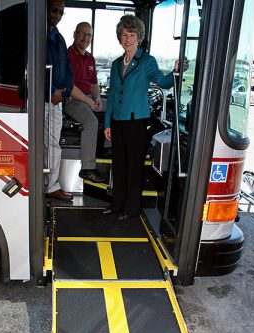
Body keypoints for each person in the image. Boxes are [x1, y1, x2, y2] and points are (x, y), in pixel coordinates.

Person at [104, 15, 183, 219]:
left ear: (139, 37)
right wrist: (107, 123)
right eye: (124, 35)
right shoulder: (115, 64)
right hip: (118, 120)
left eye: (132, 35)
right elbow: (112, 94)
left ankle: (131, 209)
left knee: (134, 167)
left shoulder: (147, 61)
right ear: (119, 38)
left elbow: (163, 82)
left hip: (137, 121)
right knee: (119, 165)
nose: (127, 39)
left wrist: (175, 72)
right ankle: (117, 205)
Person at [64, 22, 106, 183]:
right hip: (71, 99)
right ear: (75, 34)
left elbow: (94, 84)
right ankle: (87, 168)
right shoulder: (67, 55)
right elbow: (70, 87)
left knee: (115, 106)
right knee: (91, 121)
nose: (85, 38)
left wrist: (97, 99)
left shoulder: (90, 58)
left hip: (88, 97)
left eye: (89, 35)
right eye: (82, 34)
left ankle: (107, 149)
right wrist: (89, 101)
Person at [45, 0, 74, 201]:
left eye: (61, 12)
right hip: (42, 100)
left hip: (56, 101)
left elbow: (69, 72)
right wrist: (51, 91)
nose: (58, 15)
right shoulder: (38, 36)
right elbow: (35, 69)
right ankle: (48, 186)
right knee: (44, 145)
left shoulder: (60, 39)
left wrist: (64, 93)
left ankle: (51, 185)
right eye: (55, 10)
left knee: (53, 144)